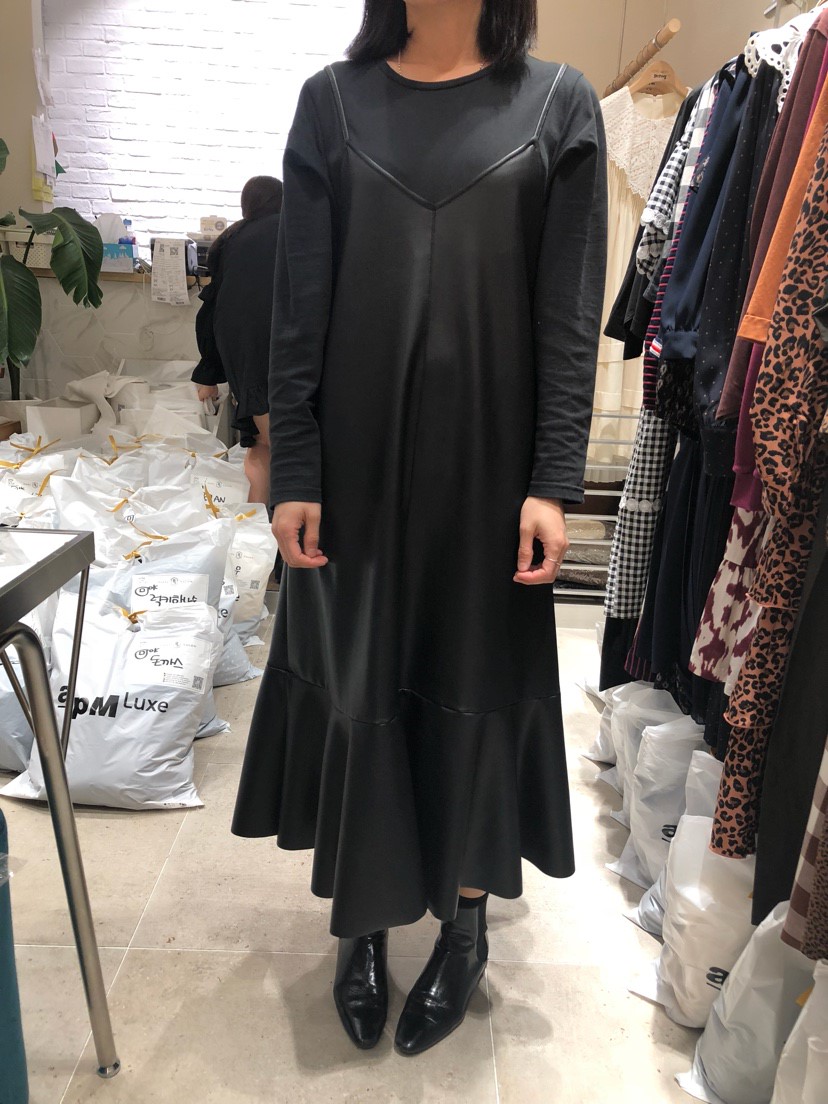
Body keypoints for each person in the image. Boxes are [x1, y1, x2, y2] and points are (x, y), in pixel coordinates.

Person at [232, 0, 607, 1055]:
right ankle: (362, 924)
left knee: (474, 684)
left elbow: (568, 316)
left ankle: (467, 923)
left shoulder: (559, 105)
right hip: (354, 476)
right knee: (363, 685)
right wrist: (293, 465)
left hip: (491, 476)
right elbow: (299, 309)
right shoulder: (331, 104)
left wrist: (553, 479)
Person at [192, 175, 282, 504]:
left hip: (243, 352)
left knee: (260, 445)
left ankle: (254, 524)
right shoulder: (298, 231)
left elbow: (211, 310)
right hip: (286, 348)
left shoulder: (229, 240)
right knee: (291, 448)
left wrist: (208, 375)